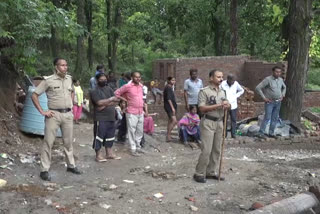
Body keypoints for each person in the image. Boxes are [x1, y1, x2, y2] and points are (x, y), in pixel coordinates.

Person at [31, 58, 81, 181]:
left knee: (68, 142)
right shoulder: (48, 81)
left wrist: (71, 104)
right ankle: (44, 170)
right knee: (48, 142)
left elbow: (72, 91)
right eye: (62, 65)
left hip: (67, 115)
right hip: (53, 115)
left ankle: (71, 165)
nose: (65, 67)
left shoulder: (69, 79)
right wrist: (43, 111)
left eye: (66, 65)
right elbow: (34, 95)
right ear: (56, 67)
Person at [194, 69, 230, 183]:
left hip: (220, 122)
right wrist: (219, 105)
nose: (221, 79)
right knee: (206, 150)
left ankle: (211, 172)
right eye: (218, 77)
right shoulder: (204, 91)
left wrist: (227, 105)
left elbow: (227, 104)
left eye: (222, 77)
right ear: (211, 78)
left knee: (217, 149)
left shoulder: (223, 91)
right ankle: (199, 173)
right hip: (208, 122)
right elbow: (202, 108)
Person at [90, 73, 122, 162]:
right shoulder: (94, 91)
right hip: (100, 117)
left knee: (110, 135)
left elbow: (116, 100)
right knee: (99, 136)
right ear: (97, 80)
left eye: (105, 79)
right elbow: (98, 103)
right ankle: (98, 155)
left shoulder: (108, 89)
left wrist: (106, 103)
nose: (104, 81)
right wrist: (110, 100)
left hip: (111, 116)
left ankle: (109, 153)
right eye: (101, 79)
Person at [115, 71, 146, 156]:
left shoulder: (141, 86)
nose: (138, 78)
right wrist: (125, 100)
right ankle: (133, 149)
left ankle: (138, 147)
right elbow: (117, 93)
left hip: (140, 111)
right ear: (132, 77)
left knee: (139, 130)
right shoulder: (127, 86)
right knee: (132, 130)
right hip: (131, 112)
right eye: (136, 77)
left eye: (139, 77)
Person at [256, 66, 286, 139]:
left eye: (279, 72)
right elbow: (258, 88)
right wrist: (264, 98)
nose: (278, 73)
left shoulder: (281, 80)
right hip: (270, 102)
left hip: (278, 101)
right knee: (267, 117)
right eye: (276, 72)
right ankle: (261, 133)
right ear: (273, 72)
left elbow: (284, 87)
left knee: (275, 118)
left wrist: (283, 95)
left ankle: (271, 133)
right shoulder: (268, 79)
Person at [220, 74, 244, 138]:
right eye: (231, 80)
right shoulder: (222, 84)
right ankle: (224, 134)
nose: (233, 82)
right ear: (228, 79)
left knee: (233, 120)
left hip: (233, 105)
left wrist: (236, 95)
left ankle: (233, 134)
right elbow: (219, 92)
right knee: (225, 119)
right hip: (225, 105)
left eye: (234, 80)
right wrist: (223, 99)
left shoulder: (236, 83)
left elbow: (242, 90)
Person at [163, 76, 177, 142]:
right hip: (169, 106)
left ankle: (169, 136)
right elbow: (168, 99)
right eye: (172, 80)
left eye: (174, 80)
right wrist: (172, 108)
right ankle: (168, 135)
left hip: (170, 106)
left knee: (170, 121)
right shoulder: (168, 88)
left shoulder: (170, 87)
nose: (173, 82)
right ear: (169, 81)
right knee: (174, 121)